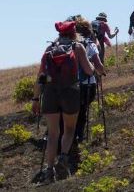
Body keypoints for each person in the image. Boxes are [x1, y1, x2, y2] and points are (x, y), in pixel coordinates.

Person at [32, 21, 95, 183]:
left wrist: (36, 98)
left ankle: (49, 171)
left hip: (51, 93)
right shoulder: (77, 47)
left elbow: (41, 77)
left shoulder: (49, 49)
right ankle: (64, 158)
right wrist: (94, 68)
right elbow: (88, 70)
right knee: (69, 129)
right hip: (70, 92)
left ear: (59, 33)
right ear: (74, 33)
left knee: (52, 134)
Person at [73, 19, 106, 149]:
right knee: (82, 111)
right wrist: (102, 72)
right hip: (86, 83)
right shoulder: (89, 44)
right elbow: (98, 64)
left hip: (67, 84)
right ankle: (78, 136)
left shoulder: (68, 44)